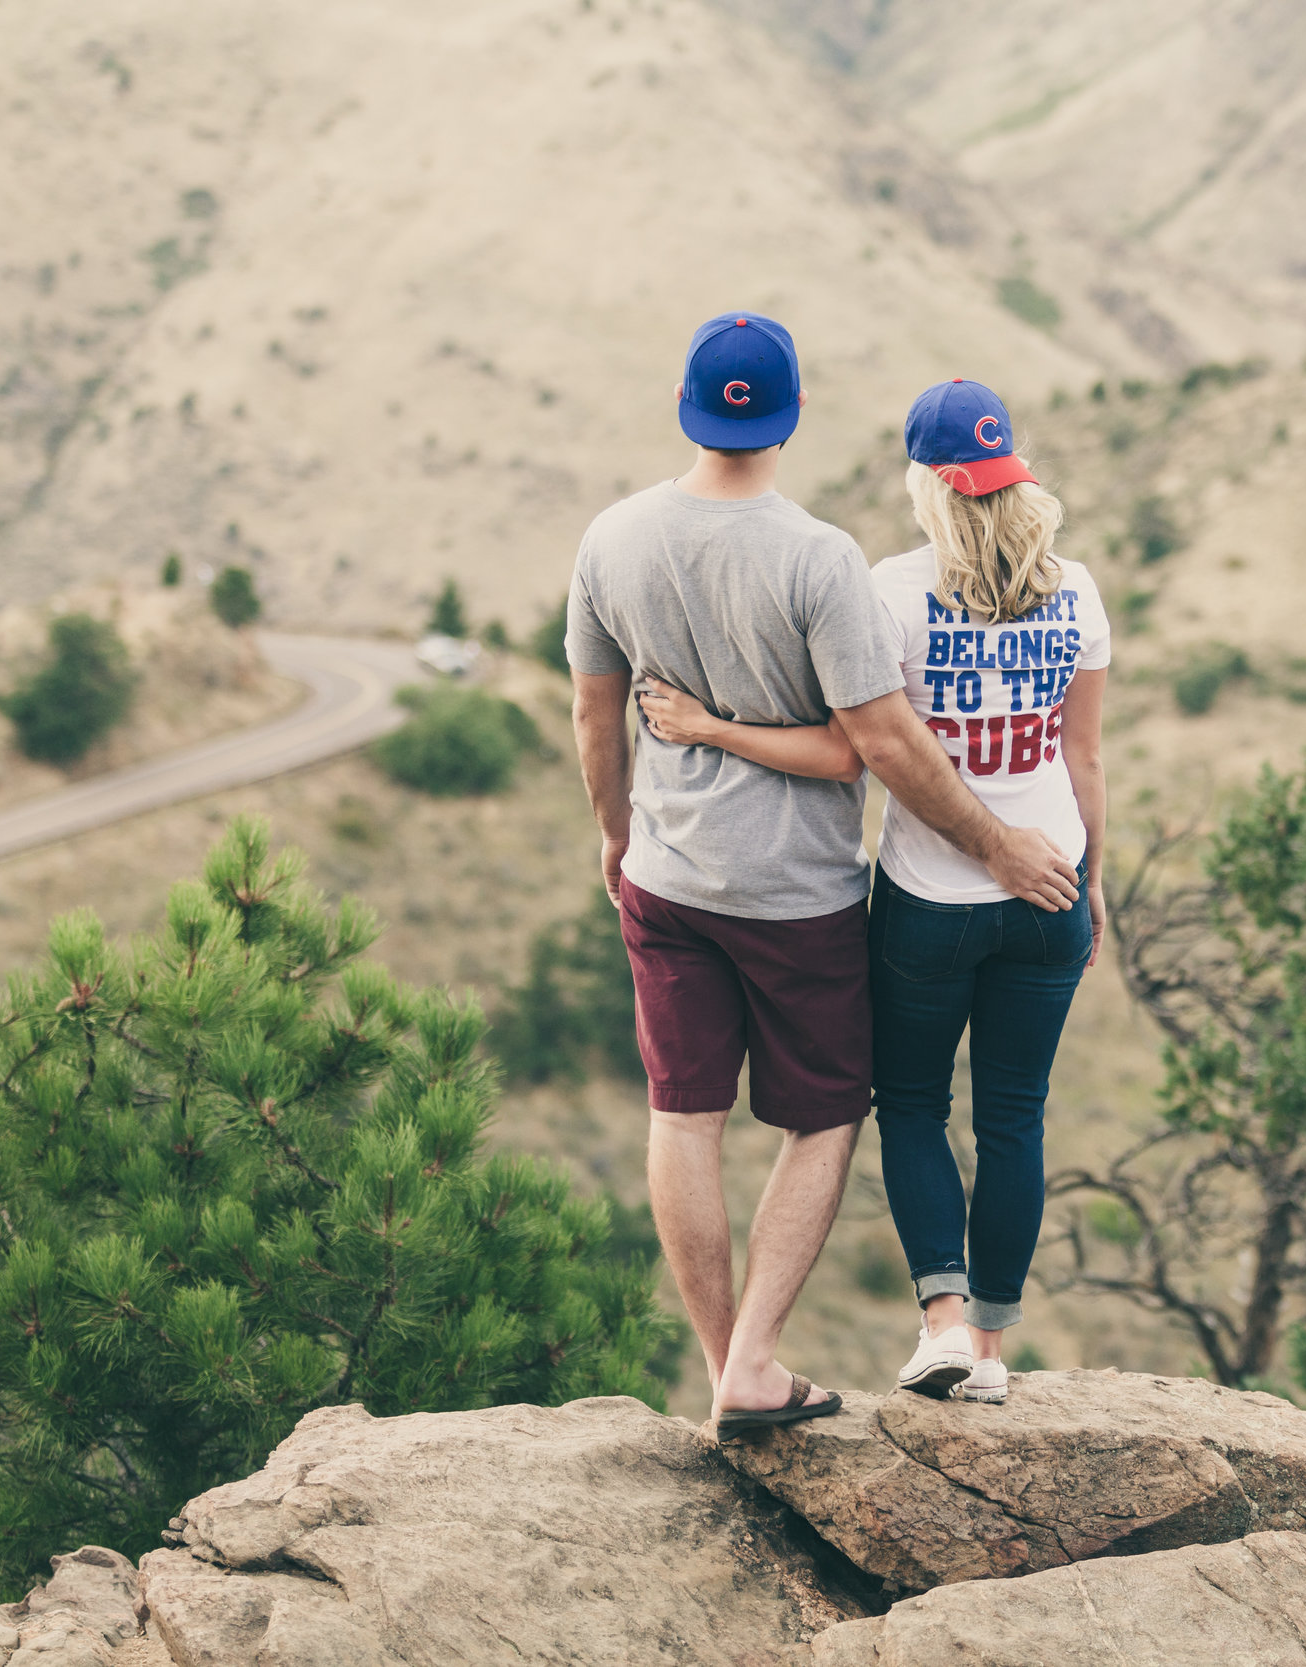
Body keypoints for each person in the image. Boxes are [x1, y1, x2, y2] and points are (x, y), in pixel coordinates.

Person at [566, 315, 1081, 1438]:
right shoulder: (820, 558)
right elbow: (872, 746)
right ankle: (756, 1357)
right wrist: (1007, 846)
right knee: (827, 1116)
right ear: (791, 415)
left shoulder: (609, 537)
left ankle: (727, 1367)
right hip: (801, 889)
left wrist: (615, 829)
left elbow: (592, 711)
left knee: (682, 1111)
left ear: (681, 398)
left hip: (668, 872)